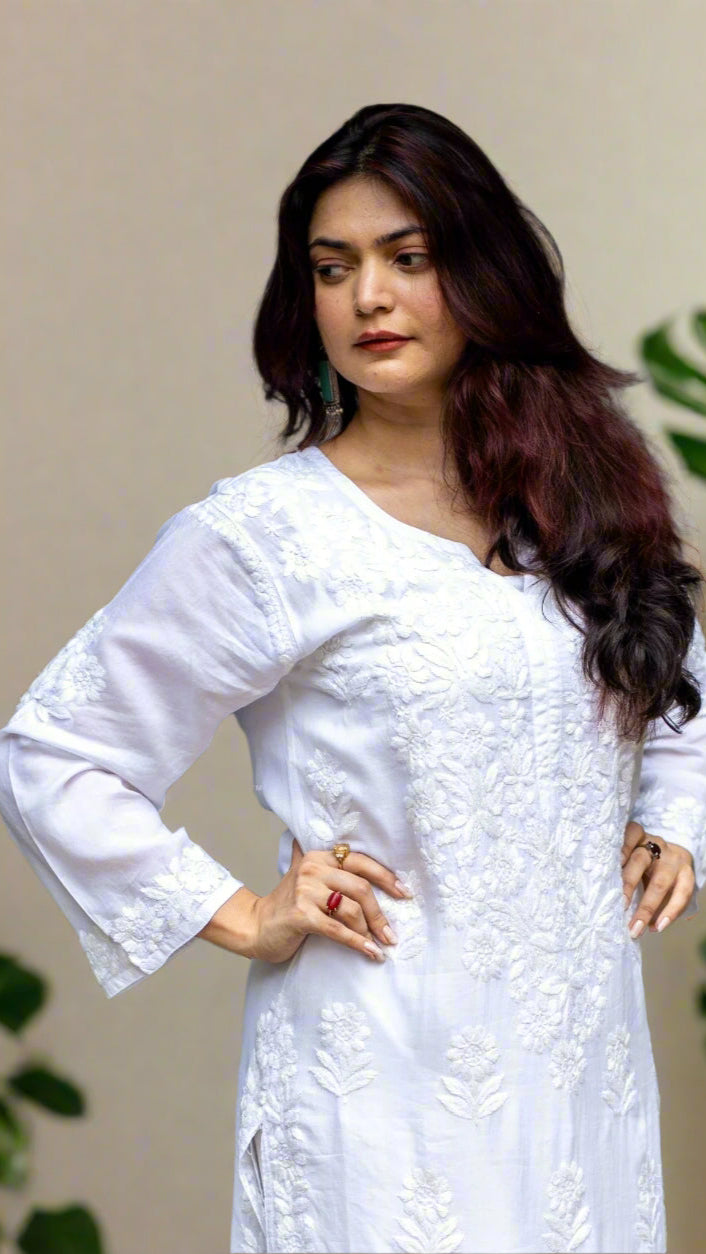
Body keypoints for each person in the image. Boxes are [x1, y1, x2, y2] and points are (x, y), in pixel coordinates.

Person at [1, 101, 705, 1254]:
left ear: (483, 273)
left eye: (408, 259)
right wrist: (240, 913)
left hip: (581, 1091)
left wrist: (671, 824)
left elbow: (675, 684)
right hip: (377, 1090)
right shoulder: (267, 537)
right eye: (333, 268)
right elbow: (56, 754)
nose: (367, 297)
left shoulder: (576, 507)